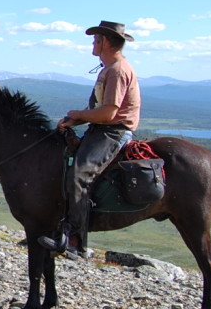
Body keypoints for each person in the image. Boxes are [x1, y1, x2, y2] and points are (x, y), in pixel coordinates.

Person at [39, 20, 141, 258]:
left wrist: (79, 114)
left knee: (79, 174)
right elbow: (99, 109)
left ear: (104, 41)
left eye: (95, 39)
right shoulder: (109, 69)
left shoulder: (117, 71)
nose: (92, 44)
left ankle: (75, 240)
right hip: (102, 128)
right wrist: (75, 120)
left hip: (113, 132)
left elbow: (108, 114)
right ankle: (58, 228)